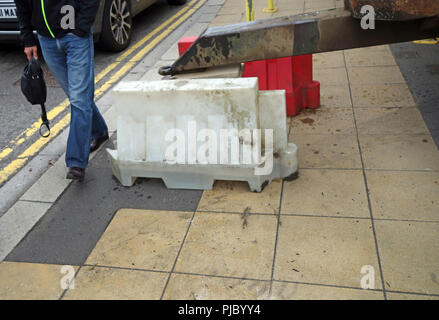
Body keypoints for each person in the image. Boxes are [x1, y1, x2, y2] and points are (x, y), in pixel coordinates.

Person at [15, 0, 109, 180]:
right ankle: (99, 131)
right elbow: (22, 4)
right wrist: (28, 38)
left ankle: (76, 162)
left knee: (79, 99)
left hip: (76, 38)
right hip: (47, 41)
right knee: (76, 96)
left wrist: (81, 28)